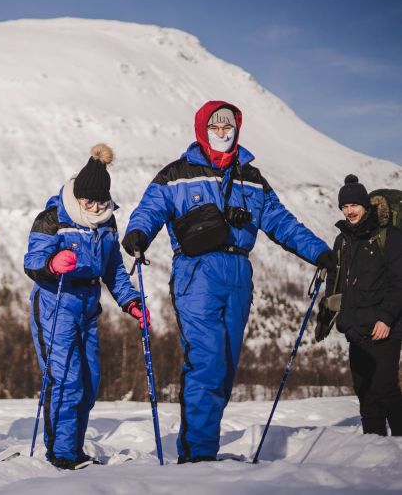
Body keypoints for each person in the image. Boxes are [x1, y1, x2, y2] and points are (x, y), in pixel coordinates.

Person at [122, 101, 335, 463]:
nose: (222, 133)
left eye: (228, 128)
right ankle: (199, 458)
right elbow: (151, 208)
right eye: (215, 128)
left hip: (239, 274)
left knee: (226, 365)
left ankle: (202, 450)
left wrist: (319, 253)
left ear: (236, 130)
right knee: (207, 361)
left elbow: (282, 223)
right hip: (197, 273)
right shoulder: (177, 173)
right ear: (202, 130)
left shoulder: (251, 179)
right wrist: (138, 233)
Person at [23, 144, 144, 469]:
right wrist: (52, 263)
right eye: (88, 200)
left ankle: (73, 450)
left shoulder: (107, 223)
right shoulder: (53, 218)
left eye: (100, 201)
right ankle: (61, 454)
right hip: (54, 302)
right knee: (66, 379)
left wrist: (131, 301)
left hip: (88, 307)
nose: (94, 206)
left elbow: (114, 269)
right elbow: (32, 261)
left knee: (89, 380)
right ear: (76, 196)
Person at [319, 175, 402, 435]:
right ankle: (372, 445)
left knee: (385, 387)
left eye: (354, 205)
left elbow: (399, 281)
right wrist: (326, 314)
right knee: (365, 390)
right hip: (356, 326)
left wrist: (386, 318)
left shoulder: (390, 237)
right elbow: (335, 280)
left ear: (366, 205)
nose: (349, 211)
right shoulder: (343, 240)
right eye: (344, 207)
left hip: (385, 326)